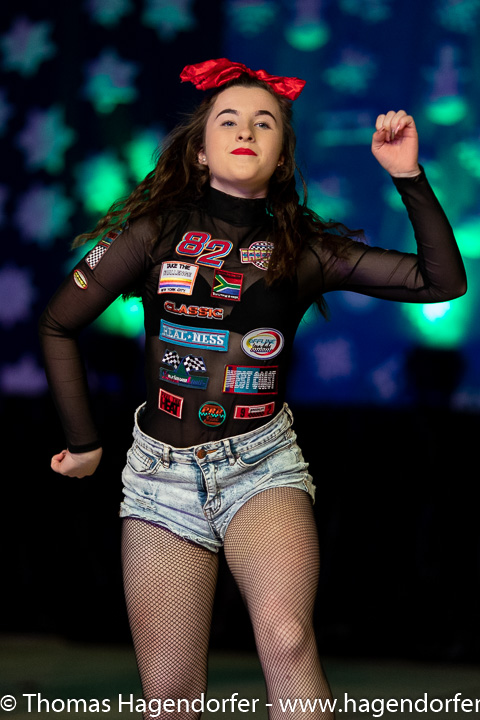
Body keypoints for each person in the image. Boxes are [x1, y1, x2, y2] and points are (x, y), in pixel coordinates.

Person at [39, 58, 466, 719]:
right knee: (171, 699)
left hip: (261, 466)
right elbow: (58, 324)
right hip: (159, 478)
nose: (246, 131)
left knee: (289, 641)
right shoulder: (155, 234)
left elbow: (442, 282)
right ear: (200, 150)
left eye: (264, 123)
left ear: (281, 155)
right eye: (229, 120)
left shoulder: (304, 248)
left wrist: (407, 177)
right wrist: (85, 442)